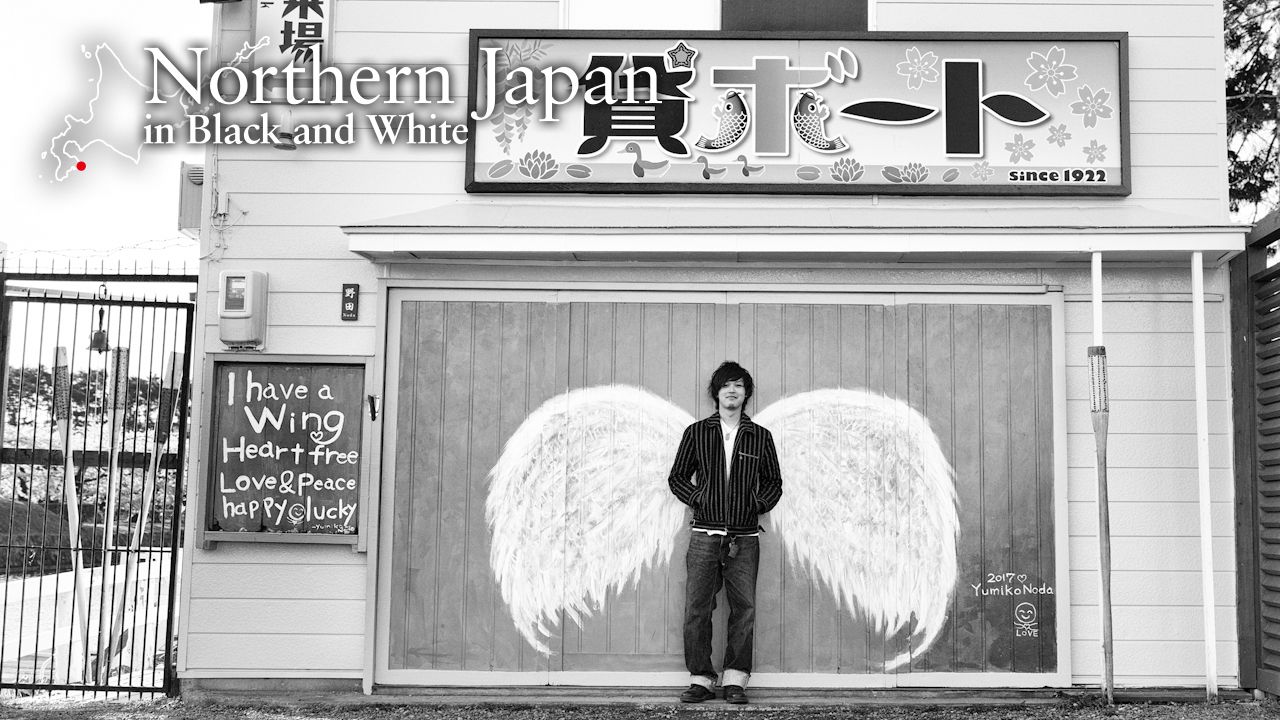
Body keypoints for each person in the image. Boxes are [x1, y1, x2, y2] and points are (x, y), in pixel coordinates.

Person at [667, 361, 783, 704]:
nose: (732, 391)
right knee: (697, 609)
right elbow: (677, 477)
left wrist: (757, 504)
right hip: (704, 535)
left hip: (745, 538)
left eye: (739, 385)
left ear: (746, 394)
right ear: (716, 392)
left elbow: (774, 482)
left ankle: (735, 679)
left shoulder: (760, 436)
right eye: (726, 385)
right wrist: (698, 499)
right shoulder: (697, 432)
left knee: (743, 609)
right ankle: (701, 679)